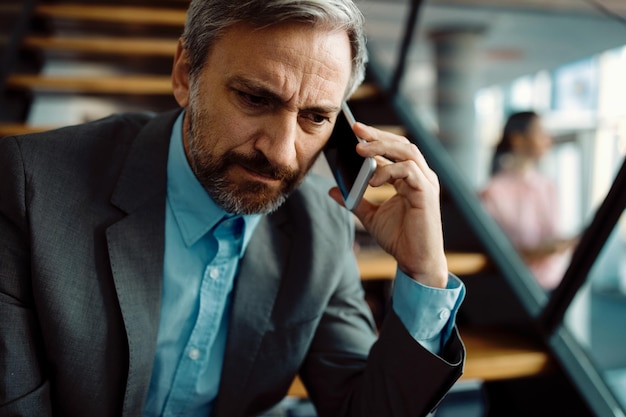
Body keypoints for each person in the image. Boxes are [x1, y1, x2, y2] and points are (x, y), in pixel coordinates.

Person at [0, 1, 466, 416]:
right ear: (186, 74)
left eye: (316, 117)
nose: (282, 154)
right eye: (256, 99)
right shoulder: (30, 187)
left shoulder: (321, 230)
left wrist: (424, 274)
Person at [480, 111, 577, 290]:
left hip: (555, 286)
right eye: (540, 132)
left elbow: (552, 235)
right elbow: (497, 253)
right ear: (517, 139)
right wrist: (540, 251)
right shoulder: (492, 192)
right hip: (518, 290)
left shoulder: (548, 186)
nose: (548, 139)